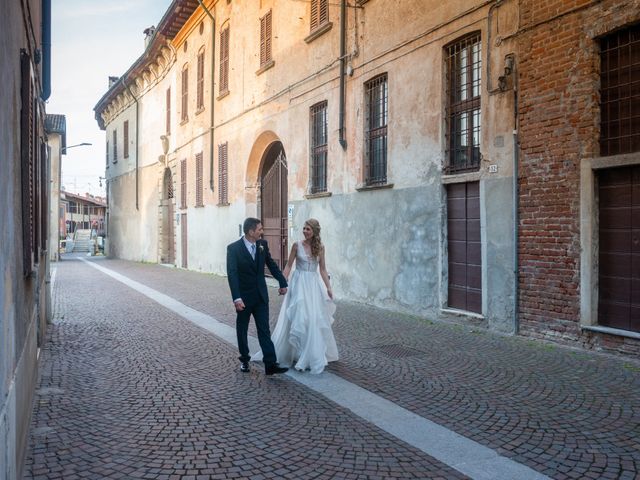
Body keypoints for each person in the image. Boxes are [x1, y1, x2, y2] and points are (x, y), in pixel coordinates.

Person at [253, 218, 338, 374]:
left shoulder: (321, 248)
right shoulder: (296, 245)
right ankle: (296, 352)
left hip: (313, 287)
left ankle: (309, 353)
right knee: (299, 318)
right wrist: (283, 283)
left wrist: (329, 287)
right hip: (298, 285)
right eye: (304, 228)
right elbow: (288, 266)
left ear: (315, 232)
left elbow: (323, 270)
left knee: (313, 319)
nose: (305, 231)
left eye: (308, 229)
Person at [226, 217, 289, 375]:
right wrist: (236, 298)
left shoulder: (262, 245)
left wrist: (282, 281)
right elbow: (232, 274)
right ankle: (245, 360)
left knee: (264, 330)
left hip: (261, 296)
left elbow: (271, 264)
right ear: (250, 232)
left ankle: (270, 364)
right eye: (260, 229)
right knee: (242, 329)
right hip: (244, 299)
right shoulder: (233, 249)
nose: (262, 231)